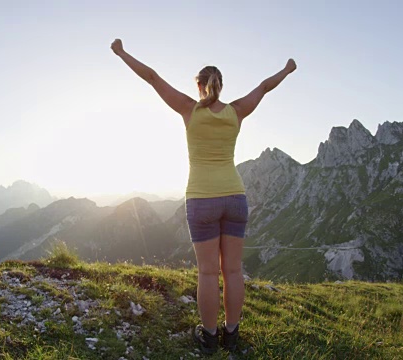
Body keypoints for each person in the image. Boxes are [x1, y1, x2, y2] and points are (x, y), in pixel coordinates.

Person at [111, 38, 296, 354]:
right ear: (221, 86)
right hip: (235, 197)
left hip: (201, 200)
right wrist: (287, 69)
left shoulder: (189, 109)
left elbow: (152, 77)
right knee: (233, 271)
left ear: (199, 86)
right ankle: (232, 335)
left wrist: (121, 52)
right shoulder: (236, 111)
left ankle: (210, 338)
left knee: (209, 272)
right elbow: (264, 87)